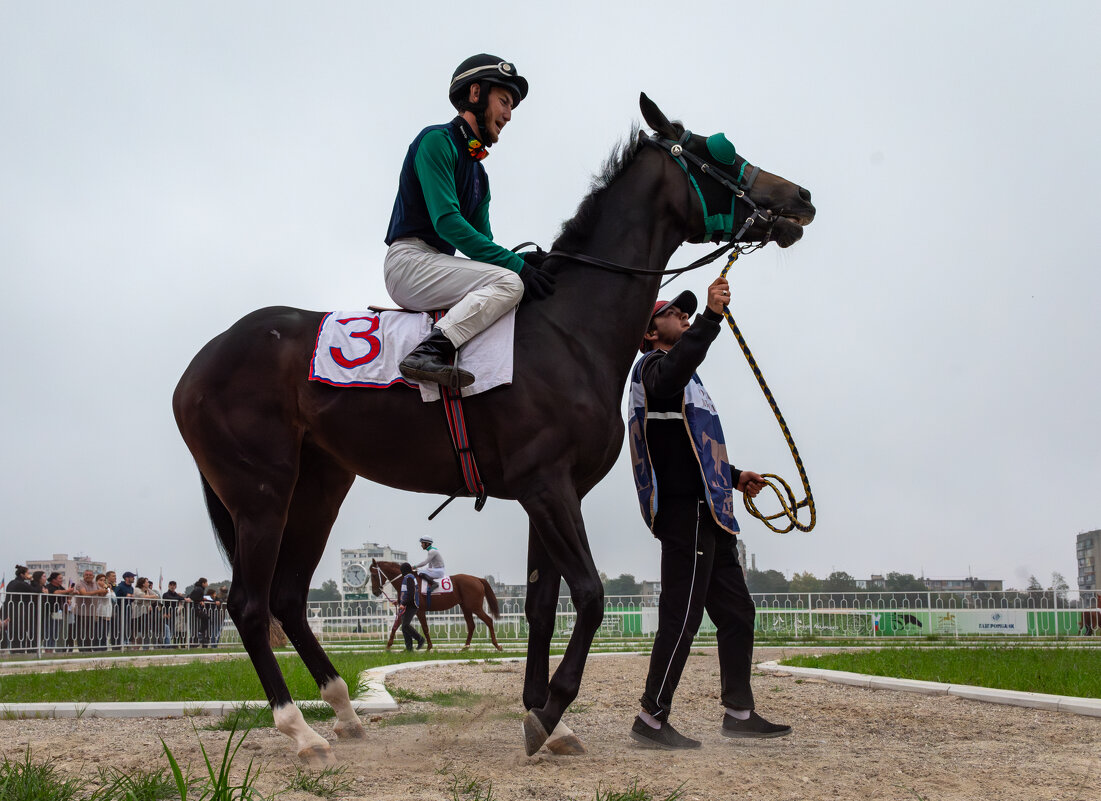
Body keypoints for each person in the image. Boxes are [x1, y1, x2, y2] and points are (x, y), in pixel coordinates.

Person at [626, 277, 791, 750]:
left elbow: (691, 448)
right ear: (651, 333)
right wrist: (713, 320)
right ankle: (651, 717)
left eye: (687, 311)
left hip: (713, 511)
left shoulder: (684, 377)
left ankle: (739, 712)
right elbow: (671, 375)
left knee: (738, 612)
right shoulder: (652, 369)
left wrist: (735, 475)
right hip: (685, 513)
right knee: (682, 615)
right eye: (673, 311)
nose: (683, 313)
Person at [384, 54, 555, 389]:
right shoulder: (436, 141)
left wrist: (523, 261)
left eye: (511, 108)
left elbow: (483, 247)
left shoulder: (480, 177)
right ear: (475, 94)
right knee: (511, 283)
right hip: (407, 264)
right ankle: (427, 353)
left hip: (434, 264)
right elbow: (448, 223)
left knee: (511, 277)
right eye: (504, 102)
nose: (508, 115)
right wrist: (517, 269)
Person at [73, 568, 108, 651]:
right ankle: (82, 650)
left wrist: (105, 590)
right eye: (86, 575)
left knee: (91, 633)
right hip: (81, 612)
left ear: (93, 576)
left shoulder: (95, 584)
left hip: (92, 613)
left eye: (90, 575)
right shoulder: (80, 584)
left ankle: (89, 649)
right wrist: (98, 591)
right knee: (81, 632)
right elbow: (84, 593)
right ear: (83, 576)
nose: (88, 576)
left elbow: (101, 594)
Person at [3, 566, 35, 652]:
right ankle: (19, 651)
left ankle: (14, 650)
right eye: (27, 573)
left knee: (14, 631)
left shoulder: (11, 582)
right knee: (20, 632)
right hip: (19, 611)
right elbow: (35, 591)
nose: (29, 575)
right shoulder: (21, 584)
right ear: (22, 574)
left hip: (10, 610)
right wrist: (32, 580)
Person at [44, 571, 75, 652]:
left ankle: (53, 649)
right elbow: (56, 593)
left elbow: (66, 595)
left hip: (58, 612)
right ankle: (48, 650)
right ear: (54, 579)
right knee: (49, 631)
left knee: (56, 631)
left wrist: (71, 594)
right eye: (60, 578)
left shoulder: (61, 587)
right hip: (50, 611)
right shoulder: (49, 586)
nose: (61, 580)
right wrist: (68, 591)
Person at [397, 563, 425, 651]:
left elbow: (411, 593)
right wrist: (399, 602)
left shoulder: (409, 578)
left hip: (411, 605)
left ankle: (420, 639)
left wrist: (403, 603)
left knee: (405, 626)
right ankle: (409, 649)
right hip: (407, 605)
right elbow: (405, 593)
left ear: (404, 570)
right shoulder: (409, 577)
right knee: (404, 628)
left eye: (401, 570)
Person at [115, 571, 136, 646]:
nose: (133, 578)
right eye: (132, 577)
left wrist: (132, 597)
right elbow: (115, 598)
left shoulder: (131, 588)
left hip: (128, 609)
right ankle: (120, 642)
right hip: (121, 609)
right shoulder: (120, 586)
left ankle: (126, 640)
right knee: (121, 625)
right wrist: (126, 596)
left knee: (128, 625)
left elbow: (131, 599)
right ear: (127, 578)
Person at [162, 580, 185, 647]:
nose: (172, 586)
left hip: (174, 615)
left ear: (176, 586)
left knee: (172, 630)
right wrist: (178, 597)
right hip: (166, 614)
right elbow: (170, 598)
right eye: (171, 585)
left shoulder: (176, 594)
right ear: (168, 586)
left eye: (174, 585)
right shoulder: (165, 594)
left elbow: (182, 598)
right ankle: (165, 645)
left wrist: (180, 597)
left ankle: (169, 644)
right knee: (166, 630)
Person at [188, 578, 210, 647]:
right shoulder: (199, 589)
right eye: (206, 582)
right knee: (205, 618)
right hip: (195, 609)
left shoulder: (199, 588)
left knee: (198, 623)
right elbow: (192, 597)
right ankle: (200, 633)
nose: (207, 584)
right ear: (203, 583)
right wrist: (200, 600)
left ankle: (198, 636)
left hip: (196, 608)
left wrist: (202, 599)